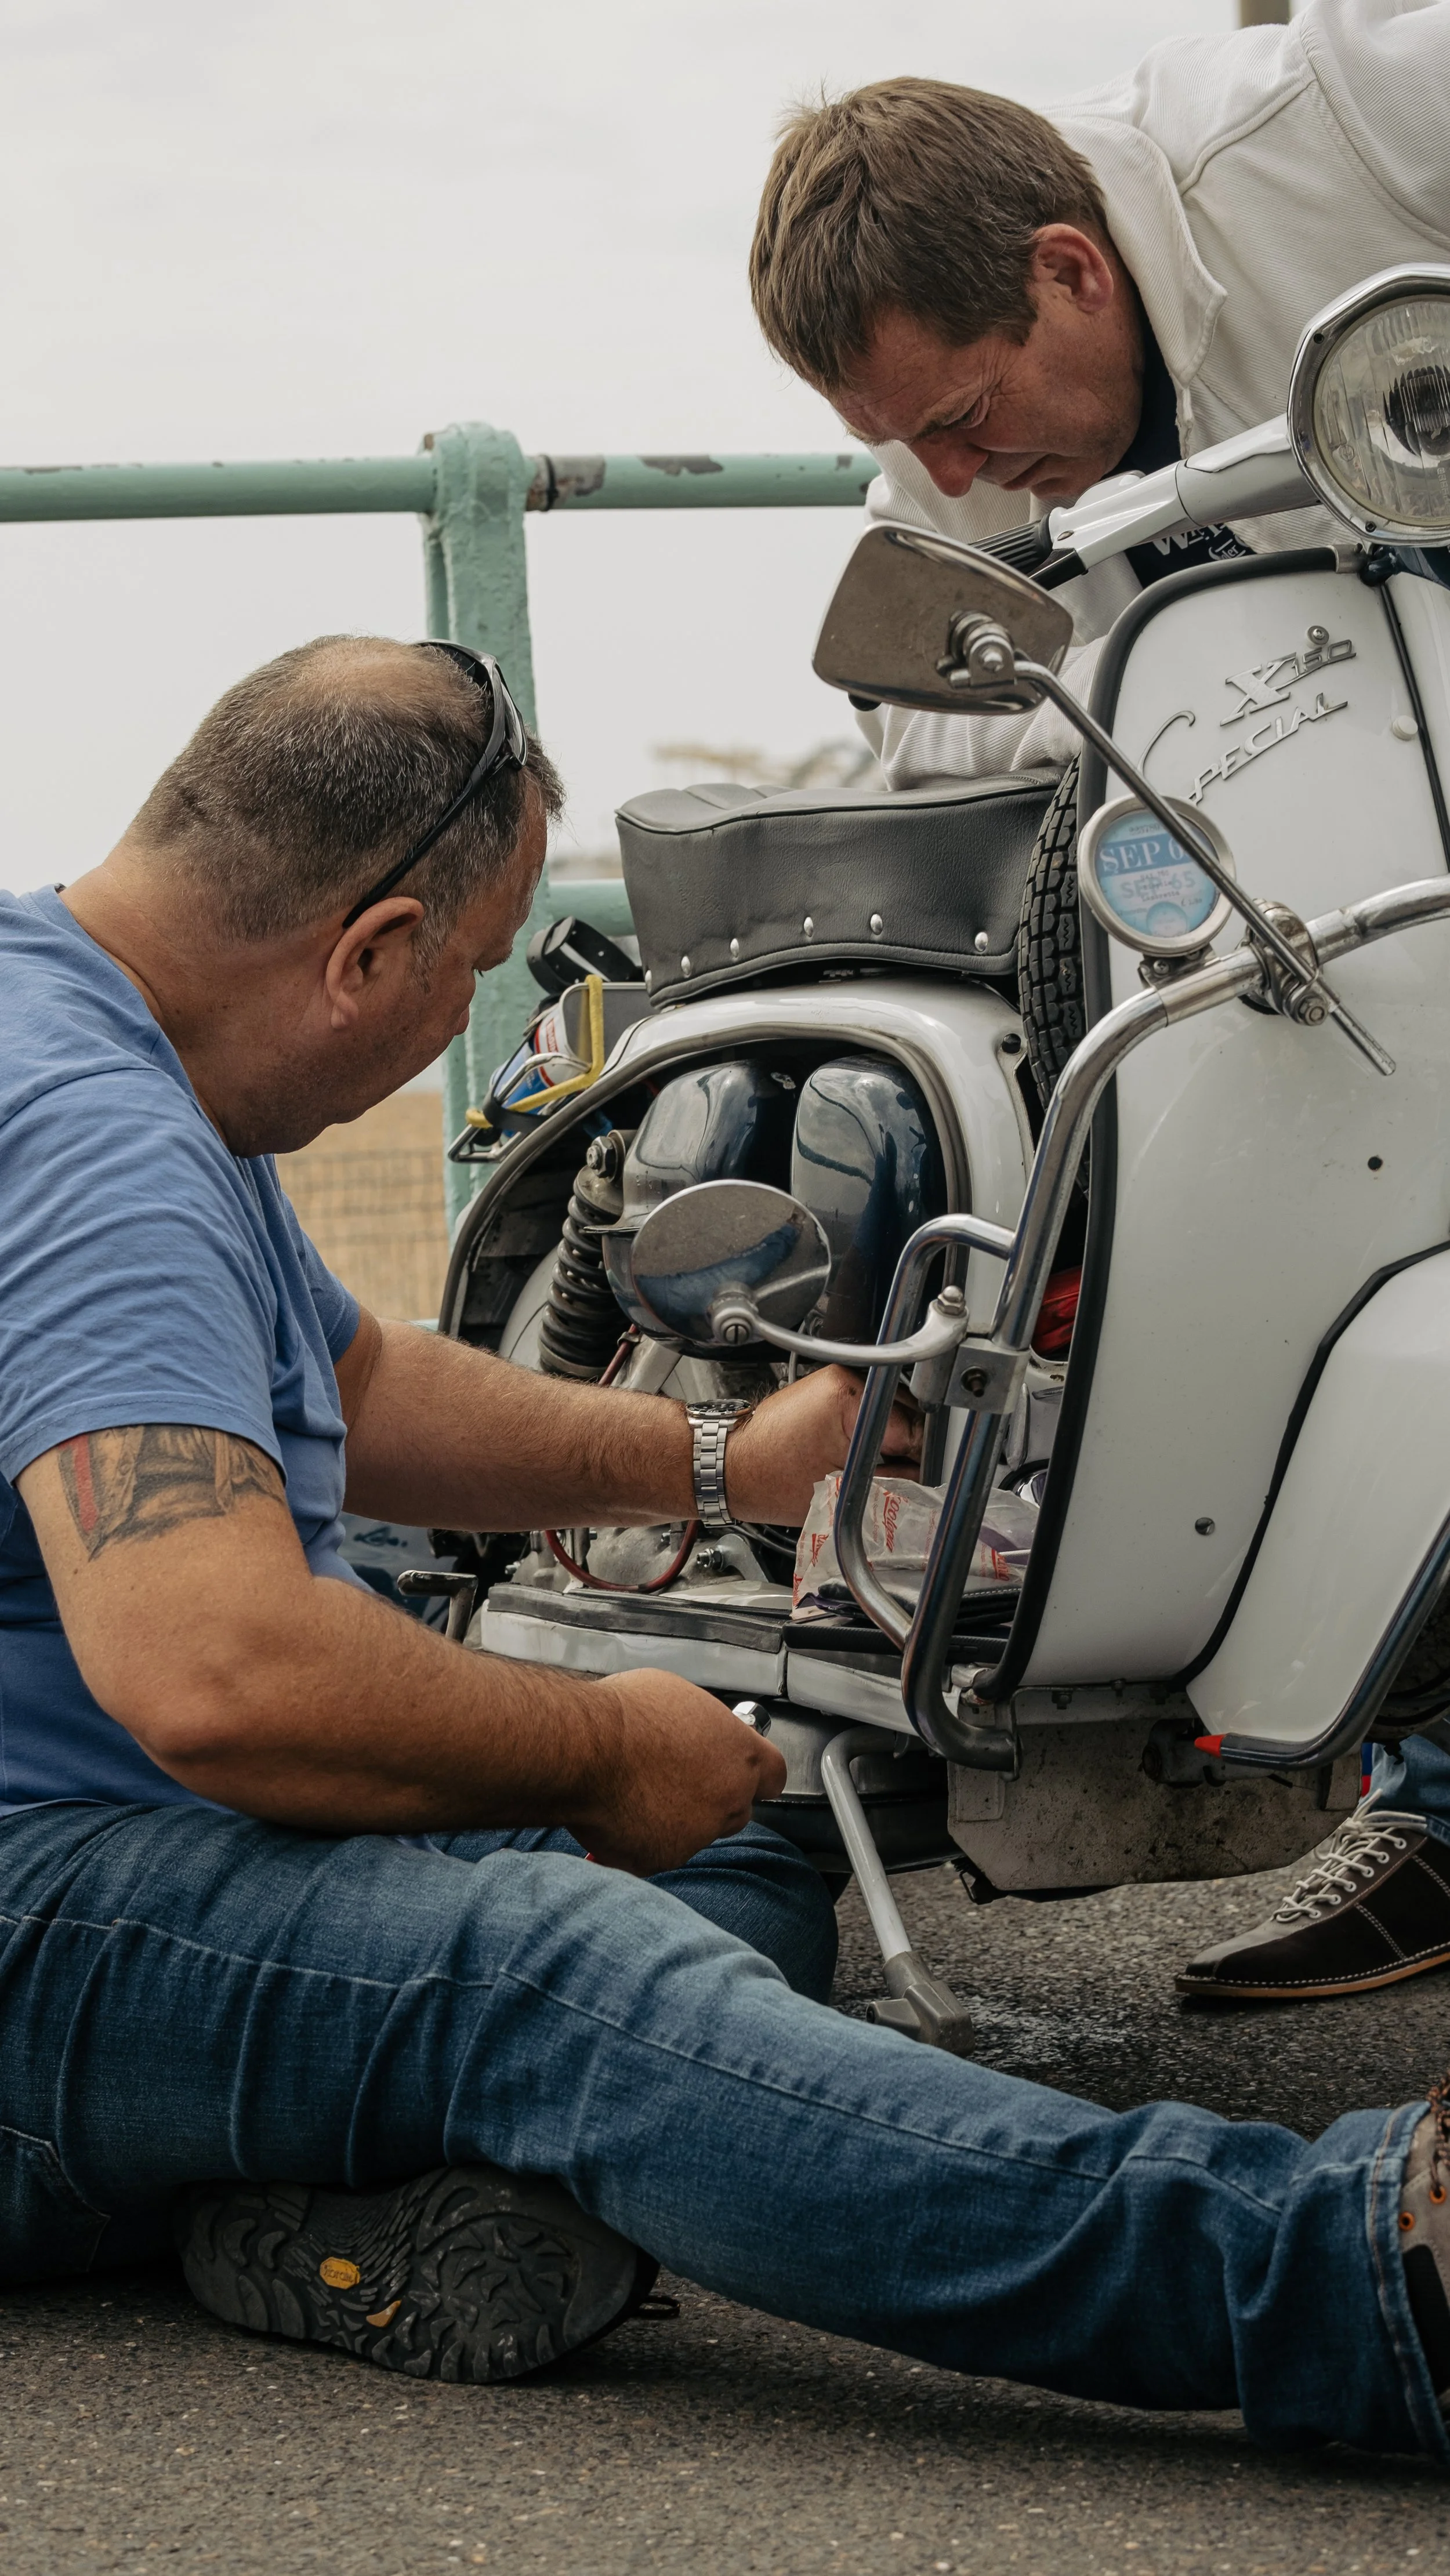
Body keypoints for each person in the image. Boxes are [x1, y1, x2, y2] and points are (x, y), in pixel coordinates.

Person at [2, 632, 1450, 2459]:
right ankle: (1344, 2275)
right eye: (466, 971)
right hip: (43, 1899)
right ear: (369, 948)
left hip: (103, 1839)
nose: (460, 1018)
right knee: (543, 1969)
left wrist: (724, 1460)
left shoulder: (74, 1017)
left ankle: (360, 2184)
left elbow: (352, 1385)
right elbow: (223, 1676)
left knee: (728, 1824)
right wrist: (600, 1751)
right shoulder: (100, 1144)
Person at [747, 0, 1450, 2005]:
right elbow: (915, 705)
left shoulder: (1348, 115)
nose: (958, 474)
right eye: (912, 444)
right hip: (1358, 857)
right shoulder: (952, 465)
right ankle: (1425, 1794)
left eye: (970, 418)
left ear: (1071, 266)